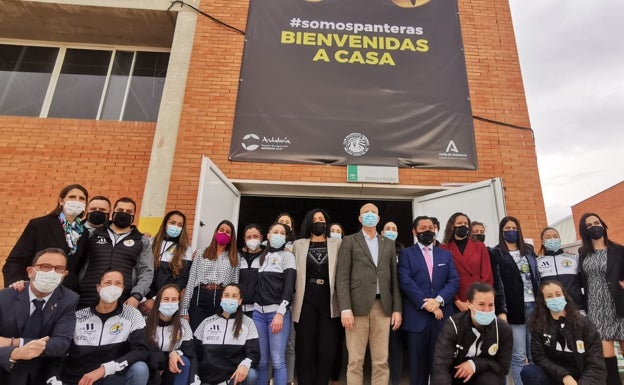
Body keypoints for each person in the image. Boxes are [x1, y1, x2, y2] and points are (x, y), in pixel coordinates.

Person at [335, 203, 402, 385]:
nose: (370, 215)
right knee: (355, 361)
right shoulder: (349, 241)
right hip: (356, 309)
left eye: (373, 212)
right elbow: (342, 278)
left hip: (383, 307)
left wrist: (397, 309)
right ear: (359, 218)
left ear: (379, 219)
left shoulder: (388, 243)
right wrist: (345, 308)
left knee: (381, 361)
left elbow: (394, 280)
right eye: (366, 212)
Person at [0, 248, 79, 385]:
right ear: (30, 271)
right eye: (45, 267)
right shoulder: (5, 297)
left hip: (42, 372)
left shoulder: (69, 299)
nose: (52, 272)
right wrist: (14, 354)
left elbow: (61, 343)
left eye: (58, 269)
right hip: (5, 367)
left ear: (64, 274)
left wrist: (16, 343)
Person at [398, 215, 459, 385]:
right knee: (417, 370)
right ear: (414, 231)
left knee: (440, 367)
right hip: (417, 319)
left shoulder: (445, 255)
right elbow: (406, 281)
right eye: (423, 228)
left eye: (430, 228)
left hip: (441, 320)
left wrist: (438, 301)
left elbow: (453, 280)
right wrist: (427, 304)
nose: (427, 231)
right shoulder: (406, 254)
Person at [62, 269, 149, 385]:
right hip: (78, 378)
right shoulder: (79, 316)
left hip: (110, 378)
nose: (113, 287)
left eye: (118, 283)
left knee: (140, 368)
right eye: (108, 283)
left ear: (123, 289)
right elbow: (62, 351)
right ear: (98, 287)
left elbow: (141, 350)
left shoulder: (132, 314)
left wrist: (104, 369)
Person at [3, 183, 89, 290]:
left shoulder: (84, 232)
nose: (77, 201)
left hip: (65, 292)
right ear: (61, 201)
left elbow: (77, 266)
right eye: (72, 197)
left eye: (81, 198)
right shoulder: (39, 225)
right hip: (35, 287)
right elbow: (16, 260)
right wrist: (15, 282)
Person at [520, 280, 606, 385]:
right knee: (529, 372)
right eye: (550, 296)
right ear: (544, 301)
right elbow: (539, 358)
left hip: (582, 377)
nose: (555, 298)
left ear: (564, 295)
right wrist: (564, 376)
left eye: (558, 294)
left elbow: (596, 362)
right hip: (557, 376)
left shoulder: (584, 324)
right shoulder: (539, 326)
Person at [292, 209, 342, 385]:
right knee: (305, 349)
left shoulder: (337, 244)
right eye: (314, 219)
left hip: (329, 300)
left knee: (327, 349)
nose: (318, 222)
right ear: (308, 223)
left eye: (321, 219)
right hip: (305, 299)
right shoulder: (298, 244)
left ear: (326, 223)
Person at [489, 216, 539, 385]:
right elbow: (497, 282)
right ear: (502, 232)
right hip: (513, 308)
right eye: (507, 228)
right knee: (518, 355)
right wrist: (501, 310)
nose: (511, 231)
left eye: (514, 227)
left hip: (534, 306)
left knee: (534, 353)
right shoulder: (496, 252)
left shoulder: (529, 250)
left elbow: (537, 277)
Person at [78, 197, 154, 308]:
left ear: (134, 215)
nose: (124, 214)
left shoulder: (142, 241)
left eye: (129, 212)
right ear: (113, 212)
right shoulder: (93, 234)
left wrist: (136, 295)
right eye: (120, 210)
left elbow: (146, 271)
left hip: (122, 300)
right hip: (87, 297)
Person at [432, 282, 512, 385]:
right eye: (481, 304)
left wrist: (474, 364)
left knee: (491, 381)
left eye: (491, 305)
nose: (487, 310)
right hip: (455, 376)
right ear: (469, 304)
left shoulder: (503, 329)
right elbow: (441, 364)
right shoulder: (453, 325)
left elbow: (503, 367)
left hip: (483, 375)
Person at [578, 212, 624, 385]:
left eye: (596, 222)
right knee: (606, 358)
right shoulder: (582, 253)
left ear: (603, 224)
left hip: (619, 303)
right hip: (596, 307)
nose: (594, 227)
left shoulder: (619, 250)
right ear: (585, 231)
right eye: (589, 225)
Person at [253, 223, 296, 385]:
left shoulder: (287, 257)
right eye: (275, 232)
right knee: (262, 362)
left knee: (278, 360)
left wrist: (280, 312)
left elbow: (289, 286)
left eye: (282, 233)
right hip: (258, 314)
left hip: (277, 314)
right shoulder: (261, 257)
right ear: (268, 236)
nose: (278, 235)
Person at [195, 283, 260, 385]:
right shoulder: (207, 322)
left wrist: (245, 364)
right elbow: (195, 353)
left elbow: (254, 354)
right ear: (221, 299)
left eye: (234, 296)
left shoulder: (248, 323)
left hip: (233, 381)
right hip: (207, 381)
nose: (230, 299)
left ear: (240, 301)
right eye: (226, 295)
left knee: (251, 374)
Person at [181, 219, 239, 330]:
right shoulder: (200, 253)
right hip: (199, 297)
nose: (223, 233)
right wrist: (184, 309)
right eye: (221, 230)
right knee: (196, 334)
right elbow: (191, 281)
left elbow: (235, 284)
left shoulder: (235, 257)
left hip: (221, 299)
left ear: (231, 237)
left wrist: (234, 309)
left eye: (227, 232)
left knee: (215, 336)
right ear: (215, 232)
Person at [141, 211, 193, 315]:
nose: (176, 227)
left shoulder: (186, 249)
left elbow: (181, 280)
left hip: (167, 303)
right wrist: (142, 298)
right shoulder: (151, 242)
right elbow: (141, 271)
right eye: (172, 223)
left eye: (180, 225)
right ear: (165, 223)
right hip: (143, 301)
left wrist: (156, 300)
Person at [440, 212, 494, 312]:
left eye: (466, 223)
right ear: (452, 226)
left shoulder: (480, 246)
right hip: (455, 301)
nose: (463, 225)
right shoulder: (444, 248)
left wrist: (479, 299)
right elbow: (443, 278)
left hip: (478, 300)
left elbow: (487, 275)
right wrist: (457, 301)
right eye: (460, 223)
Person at [145, 284, 195, 385]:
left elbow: (190, 352)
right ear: (158, 302)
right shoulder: (145, 321)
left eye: (174, 299)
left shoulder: (183, 324)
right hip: (150, 367)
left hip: (171, 370)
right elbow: (142, 349)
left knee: (183, 361)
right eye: (166, 299)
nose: (170, 303)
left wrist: (175, 353)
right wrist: (166, 355)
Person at [536, 227, 584, 310]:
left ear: (560, 239)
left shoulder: (574, 258)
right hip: (551, 309)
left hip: (576, 307)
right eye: (548, 237)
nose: (552, 239)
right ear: (542, 242)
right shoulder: (537, 262)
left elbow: (583, 281)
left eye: (555, 236)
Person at [382, 221, 405, 385]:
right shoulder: (376, 250)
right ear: (382, 232)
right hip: (383, 304)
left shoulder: (403, 252)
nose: (391, 231)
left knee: (396, 346)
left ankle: (395, 381)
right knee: (384, 347)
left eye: (394, 229)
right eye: (388, 229)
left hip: (402, 303)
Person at [274, 213, 296, 385]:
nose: (284, 225)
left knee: (289, 341)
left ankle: (287, 379)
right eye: (281, 222)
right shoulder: (266, 246)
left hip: (290, 299)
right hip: (268, 301)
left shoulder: (297, 246)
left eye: (287, 223)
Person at [239, 224, 264, 316]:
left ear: (261, 238)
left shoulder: (267, 257)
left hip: (259, 312)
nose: (252, 239)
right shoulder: (238, 257)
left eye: (255, 236)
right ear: (245, 240)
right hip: (238, 310)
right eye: (249, 237)